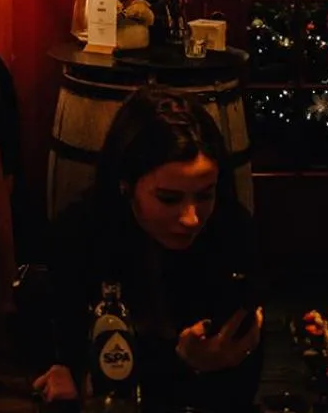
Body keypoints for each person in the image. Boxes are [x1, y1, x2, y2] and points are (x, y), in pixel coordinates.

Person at [32, 87, 263, 411]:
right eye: (169, 198)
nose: (192, 218)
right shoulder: (80, 232)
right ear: (125, 185)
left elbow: (240, 390)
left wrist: (230, 356)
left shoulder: (230, 229)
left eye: (205, 194)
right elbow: (75, 360)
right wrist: (64, 370)